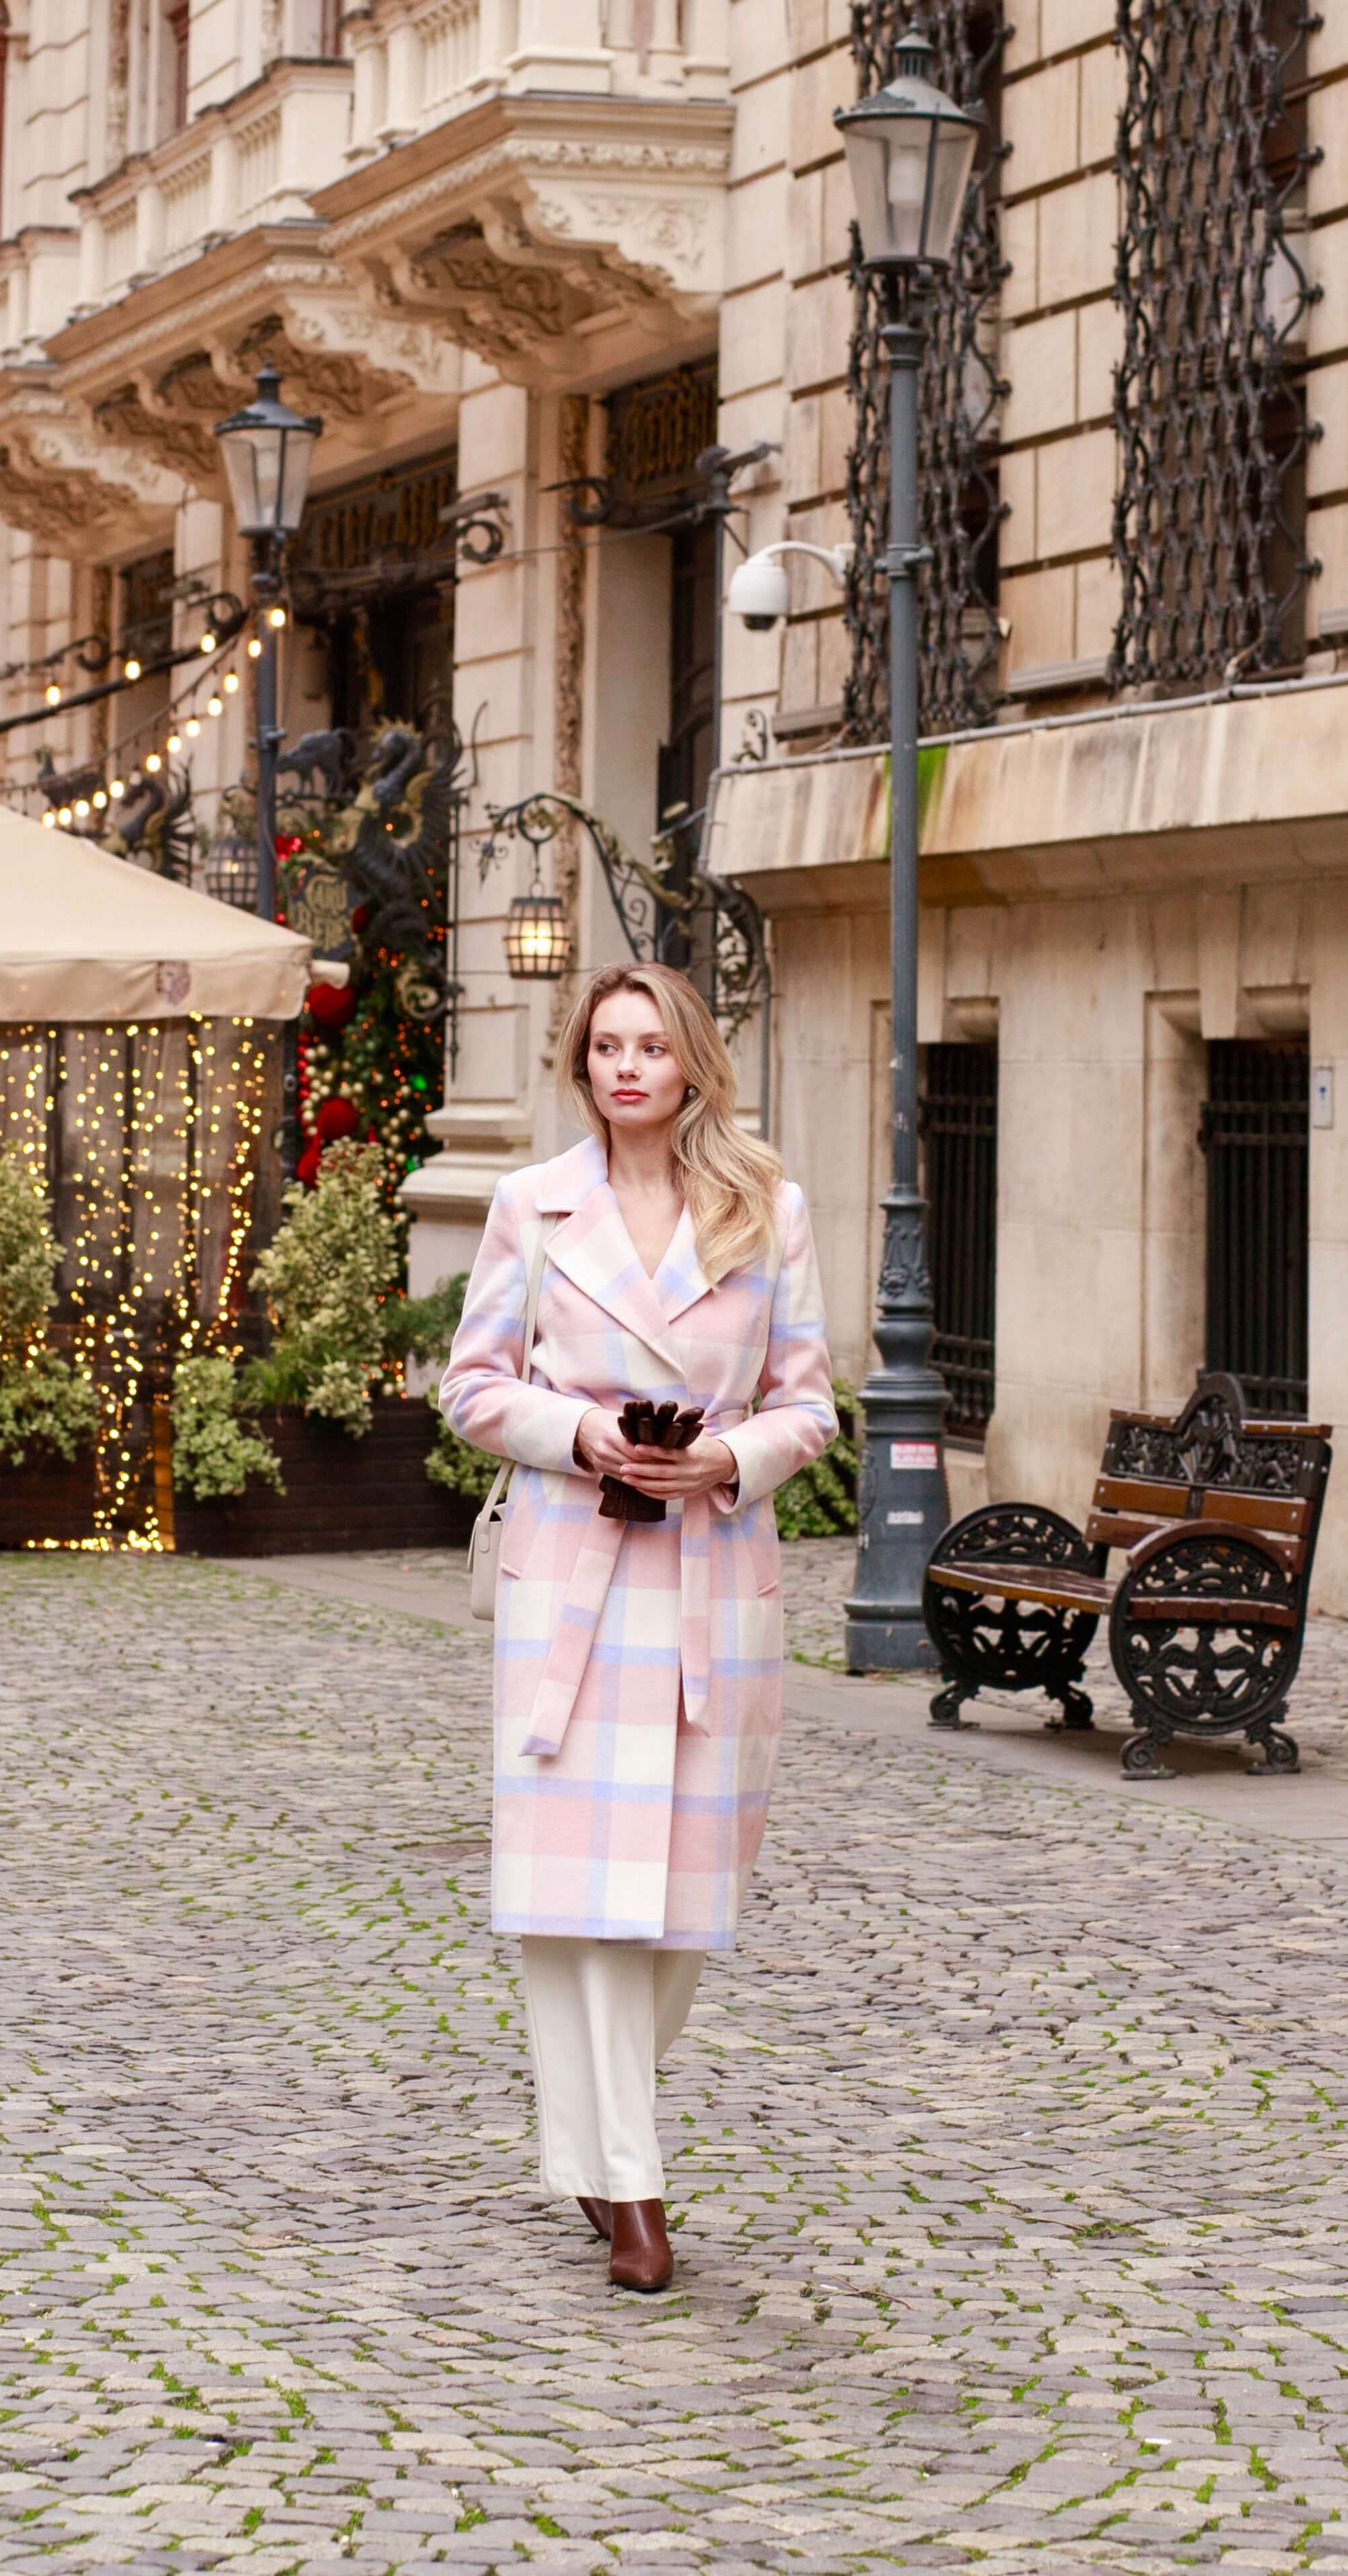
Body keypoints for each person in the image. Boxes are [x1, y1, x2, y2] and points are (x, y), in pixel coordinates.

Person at [438, 963, 837, 2292]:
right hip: (577, 1580)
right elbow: (473, 1386)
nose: (626, 1066)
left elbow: (808, 1403)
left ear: (690, 1065)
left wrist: (722, 1459)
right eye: (605, 1045)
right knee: (590, 1898)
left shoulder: (768, 1209)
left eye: (650, 1045)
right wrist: (585, 1433)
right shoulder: (531, 1204)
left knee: (675, 1910)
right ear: (581, 1066)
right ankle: (635, 2190)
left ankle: (593, 2143)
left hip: (712, 1579)